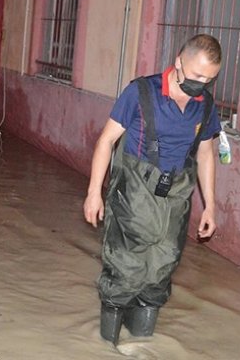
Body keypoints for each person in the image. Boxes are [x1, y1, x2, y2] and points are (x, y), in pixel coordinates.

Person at [83, 34, 223, 345]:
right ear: (178, 62)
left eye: (210, 79)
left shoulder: (206, 105)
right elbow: (106, 141)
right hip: (133, 191)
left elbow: (205, 154)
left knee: (163, 265)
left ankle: (143, 341)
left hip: (176, 196)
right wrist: (94, 192)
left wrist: (210, 206)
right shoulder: (140, 92)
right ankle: (105, 344)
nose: (202, 84)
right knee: (125, 265)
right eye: (197, 75)